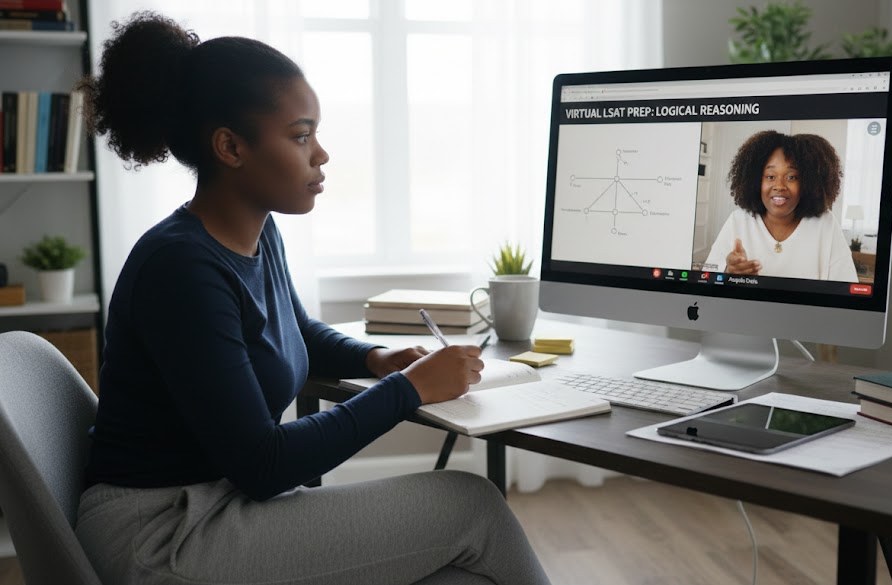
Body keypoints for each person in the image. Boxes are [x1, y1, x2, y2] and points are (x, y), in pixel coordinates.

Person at [73, 12, 550, 585]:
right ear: (230, 147)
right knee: (474, 509)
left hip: (215, 500)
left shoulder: (253, 232)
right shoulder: (181, 268)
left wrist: (376, 360)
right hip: (164, 535)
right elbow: (264, 464)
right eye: (301, 136)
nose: (320, 154)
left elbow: (293, 332)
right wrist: (408, 390)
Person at [704, 130, 858, 282]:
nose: (779, 186)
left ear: (808, 182)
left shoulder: (825, 223)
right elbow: (706, 279)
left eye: (791, 177)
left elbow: (846, 286)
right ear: (756, 180)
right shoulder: (738, 220)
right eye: (770, 177)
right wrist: (728, 273)